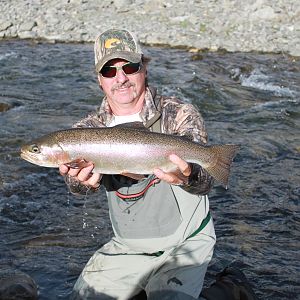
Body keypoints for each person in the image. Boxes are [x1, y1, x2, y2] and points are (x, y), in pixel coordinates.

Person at [59, 29, 258, 300]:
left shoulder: (179, 114)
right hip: (128, 248)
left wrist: (189, 176)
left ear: (144, 68)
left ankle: (229, 288)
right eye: (109, 71)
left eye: (129, 67)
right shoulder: (86, 131)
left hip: (186, 243)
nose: (121, 78)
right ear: (99, 80)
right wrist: (79, 183)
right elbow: (75, 187)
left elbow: (207, 183)